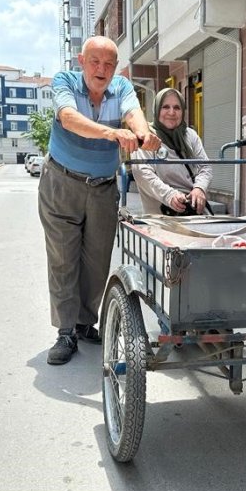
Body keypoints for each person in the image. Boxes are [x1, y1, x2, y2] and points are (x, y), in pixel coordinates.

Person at [38, 36, 160, 365]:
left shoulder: (121, 87)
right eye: (95, 62)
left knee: (97, 261)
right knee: (63, 259)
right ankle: (65, 332)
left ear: (116, 67)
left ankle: (84, 323)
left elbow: (134, 114)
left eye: (108, 64)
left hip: (103, 188)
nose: (101, 70)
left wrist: (144, 133)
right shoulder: (65, 82)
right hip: (61, 183)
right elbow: (68, 118)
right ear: (82, 61)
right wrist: (111, 133)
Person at [132, 87, 212, 216]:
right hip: (161, 215)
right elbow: (142, 173)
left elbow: (205, 167)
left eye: (177, 108)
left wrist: (199, 188)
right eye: (165, 107)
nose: (171, 112)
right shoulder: (147, 137)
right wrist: (170, 195)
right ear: (157, 109)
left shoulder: (190, 135)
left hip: (195, 212)